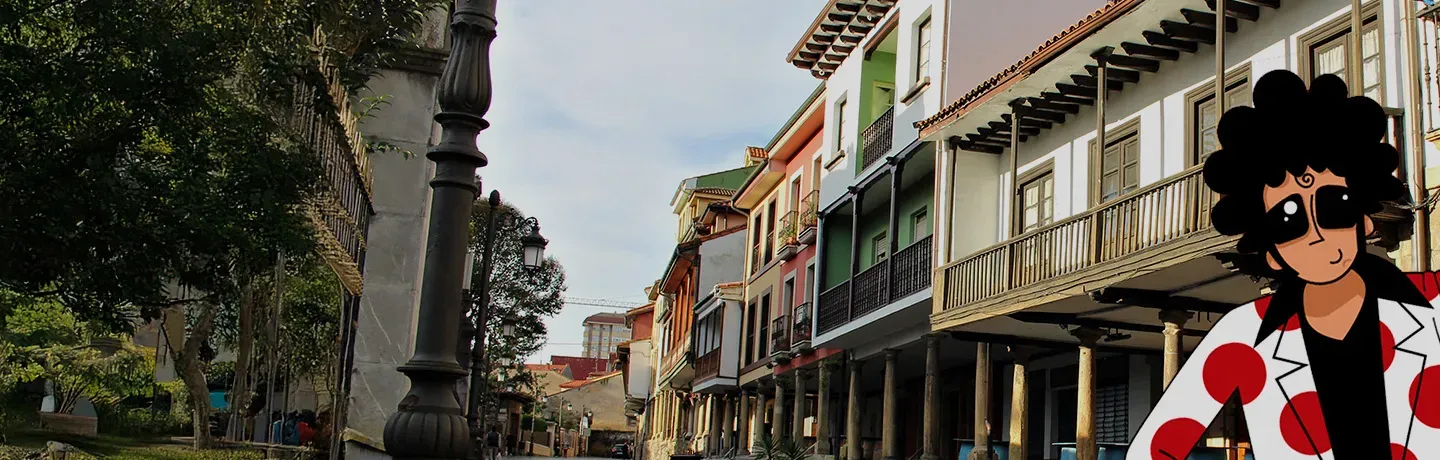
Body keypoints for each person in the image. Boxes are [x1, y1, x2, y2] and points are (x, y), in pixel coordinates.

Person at [1127, 70, 1440, 460]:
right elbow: (1154, 447)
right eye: (1288, 221)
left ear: (1363, 221)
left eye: (1334, 207)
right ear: (1271, 250)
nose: (1317, 232)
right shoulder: (1241, 337)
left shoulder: (1435, 306)